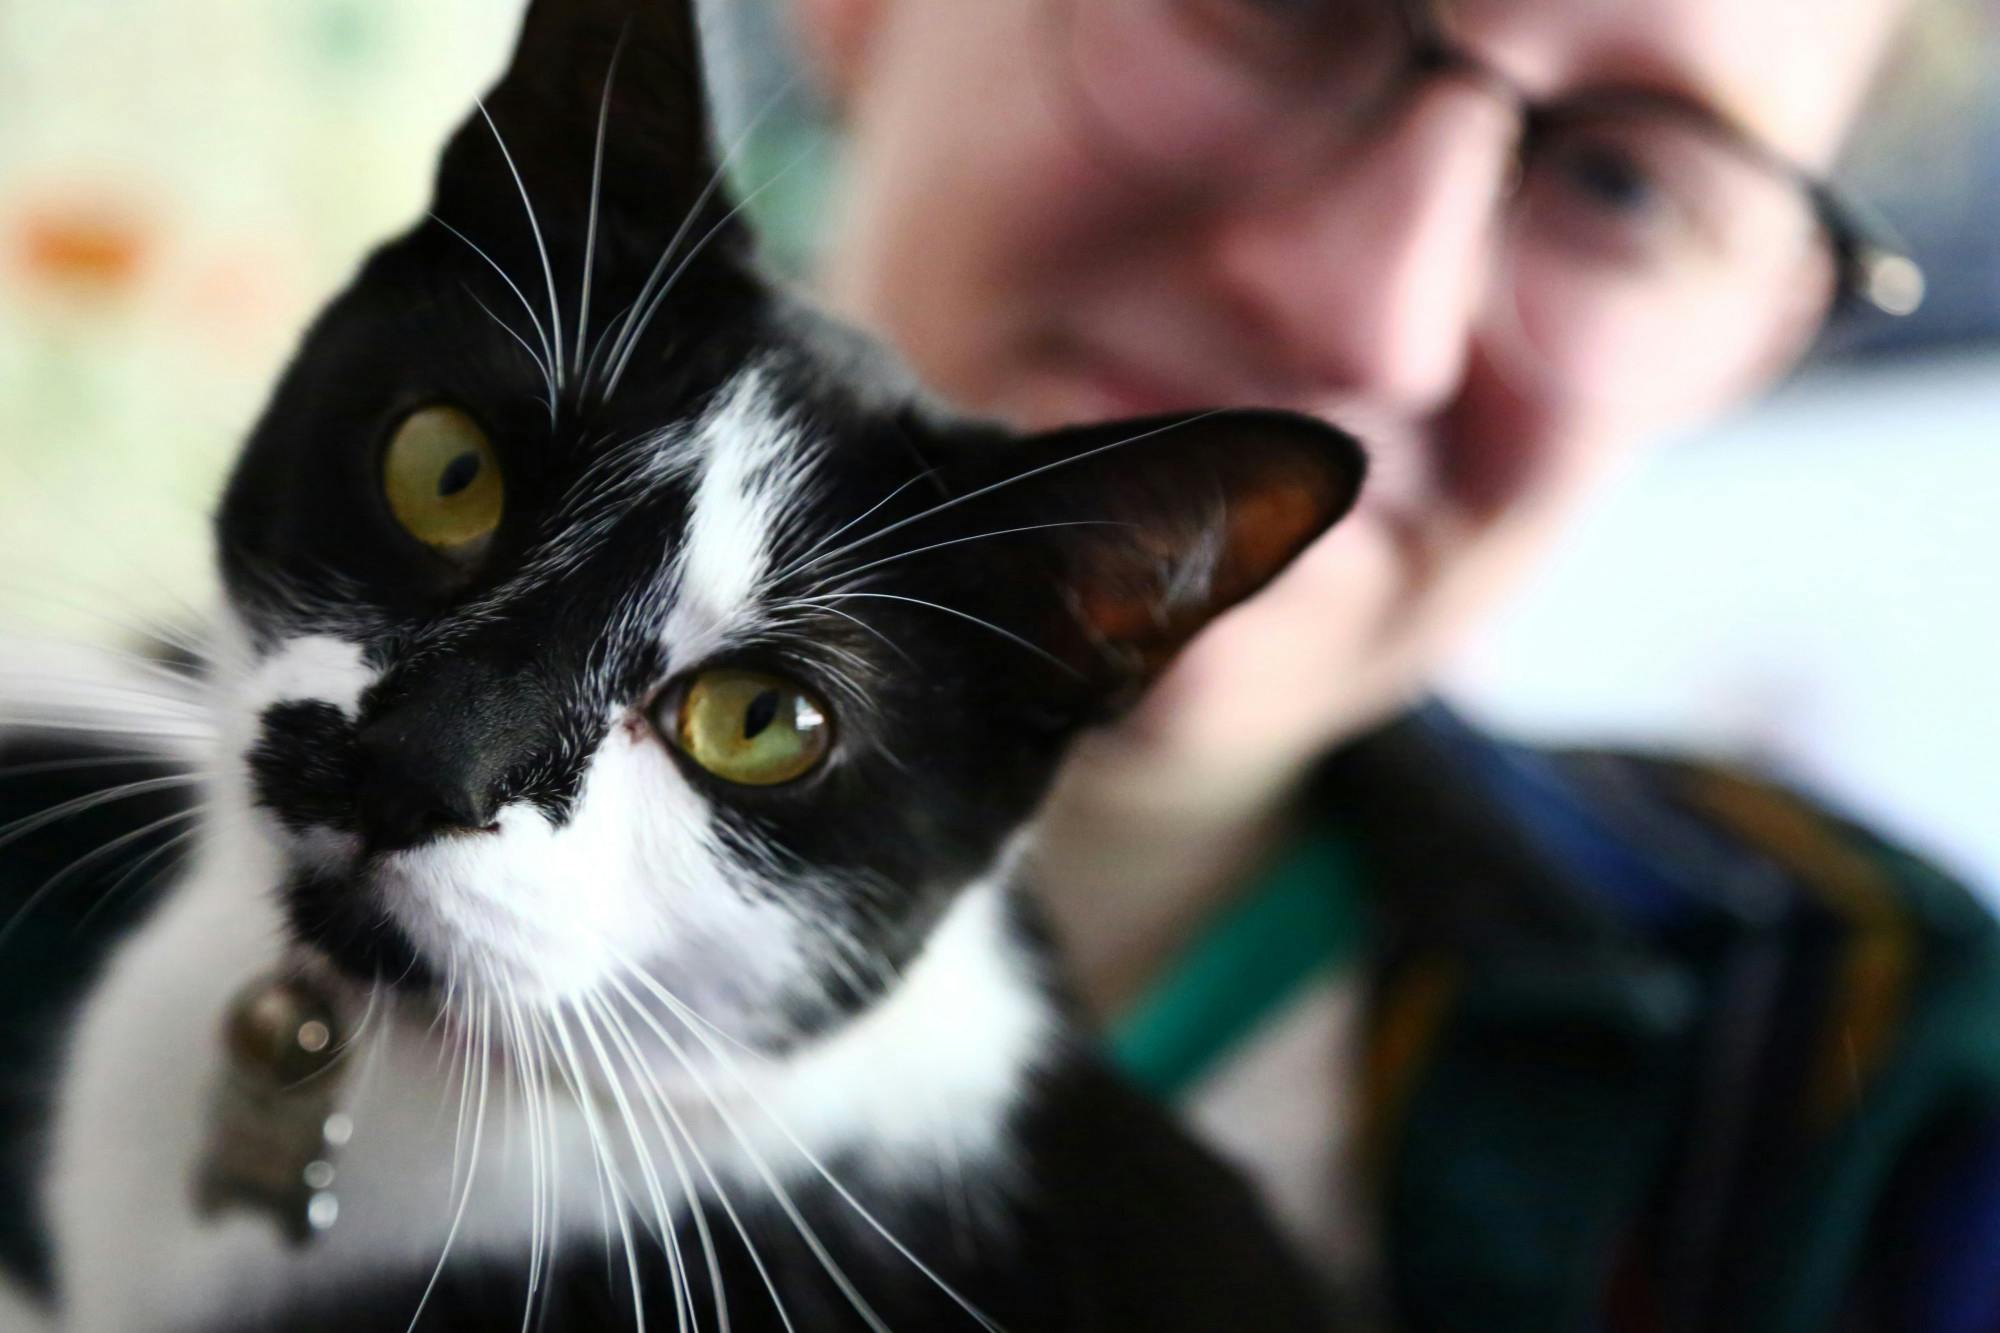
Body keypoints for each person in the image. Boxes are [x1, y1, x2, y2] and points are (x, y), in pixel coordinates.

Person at [782, 0, 2000, 1328]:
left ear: (1755, 335)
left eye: (1624, 183)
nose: (1367, 315)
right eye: (1286, 16)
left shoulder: (1863, 1085)